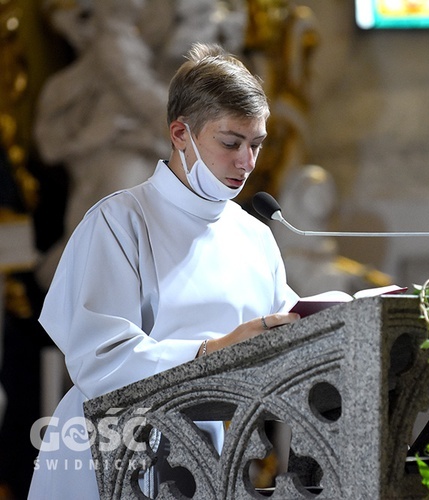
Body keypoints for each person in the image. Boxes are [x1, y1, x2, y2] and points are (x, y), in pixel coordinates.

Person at [27, 42, 300, 499]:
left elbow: (285, 335)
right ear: (180, 133)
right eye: (231, 143)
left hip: (216, 452)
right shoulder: (120, 221)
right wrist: (211, 351)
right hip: (112, 449)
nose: (247, 163)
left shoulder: (255, 236)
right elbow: (100, 359)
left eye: (256, 145)